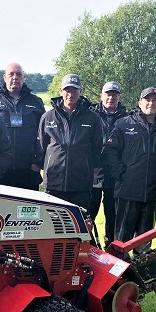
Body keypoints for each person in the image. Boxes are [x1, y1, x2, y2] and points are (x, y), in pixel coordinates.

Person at [103, 87, 156, 252]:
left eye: (155, 100)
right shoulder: (124, 124)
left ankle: (140, 271)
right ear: (140, 103)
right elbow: (111, 152)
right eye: (147, 100)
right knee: (122, 239)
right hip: (127, 189)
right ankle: (120, 274)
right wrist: (120, 174)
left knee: (145, 239)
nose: (151, 103)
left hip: (153, 191)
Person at [37, 74, 103, 211]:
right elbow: (41, 147)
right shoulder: (48, 117)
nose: (70, 94)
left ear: (81, 91)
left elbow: (97, 149)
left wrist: (85, 165)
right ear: (60, 91)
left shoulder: (92, 118)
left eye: (74, 90)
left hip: (81, 184)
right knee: (53, 226)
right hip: (54, 184)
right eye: (67, 90)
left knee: (79, 227)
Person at [0, 62, 45, 190]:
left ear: (24, 77)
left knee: (26, 209)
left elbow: (44, 134)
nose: (15, 77)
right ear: (4, 77)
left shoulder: (36, 102)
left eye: (19, 74)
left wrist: (38, 162)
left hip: (28, 170)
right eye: (11, 74)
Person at [90, 81, 128, 247]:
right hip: (93, 173)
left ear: (119, 97)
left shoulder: (127, 118)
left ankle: (111, 247)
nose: (110, 98)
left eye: (114, 94)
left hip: (115, 174)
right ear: (101, 96)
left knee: (113, 215)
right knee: (88, 214)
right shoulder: (90, 114)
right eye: (107, 94)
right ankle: (88, 246)